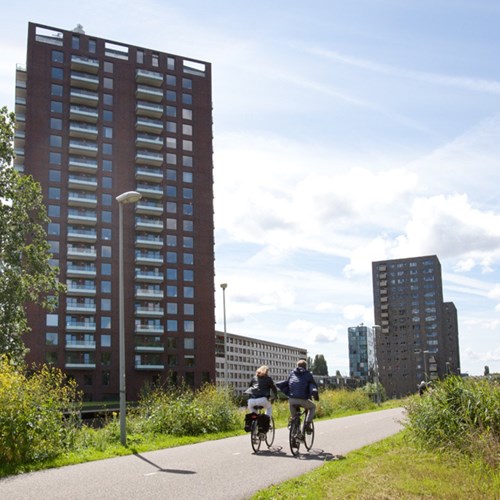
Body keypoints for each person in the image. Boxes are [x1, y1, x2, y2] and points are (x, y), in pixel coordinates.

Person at [277, 359, 319, 433]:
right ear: (305, 367)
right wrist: (316, 396)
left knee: (294, 418)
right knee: (313, 407)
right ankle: (307, 424)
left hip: (292, 400)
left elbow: (289, 383)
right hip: (303, 399)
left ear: (297, 366)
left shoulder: (292, 373)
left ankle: (294, 427)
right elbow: (313, 385)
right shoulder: (308, 374)